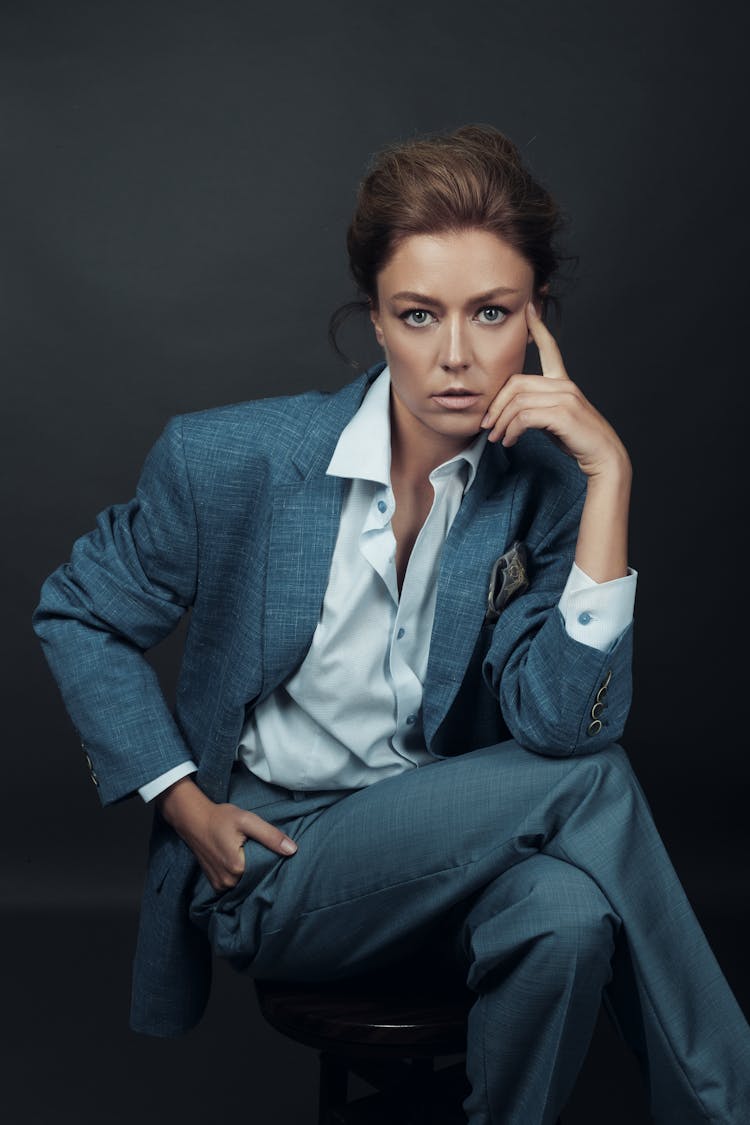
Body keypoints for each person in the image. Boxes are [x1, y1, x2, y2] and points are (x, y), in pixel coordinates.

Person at [33, 124, 750, 1124]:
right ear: (374, 320)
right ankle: (727, 1100)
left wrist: (607, 478)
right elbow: (78, 611)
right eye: (418, 316)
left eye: (491, 313)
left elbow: (562, 725)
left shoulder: (540, 491)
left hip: (462, 852)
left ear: (538, 321)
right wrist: (182, 800)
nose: (454, 357)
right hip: (280, 863)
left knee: (570, 919)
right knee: (594, 786)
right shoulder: (229, 459)